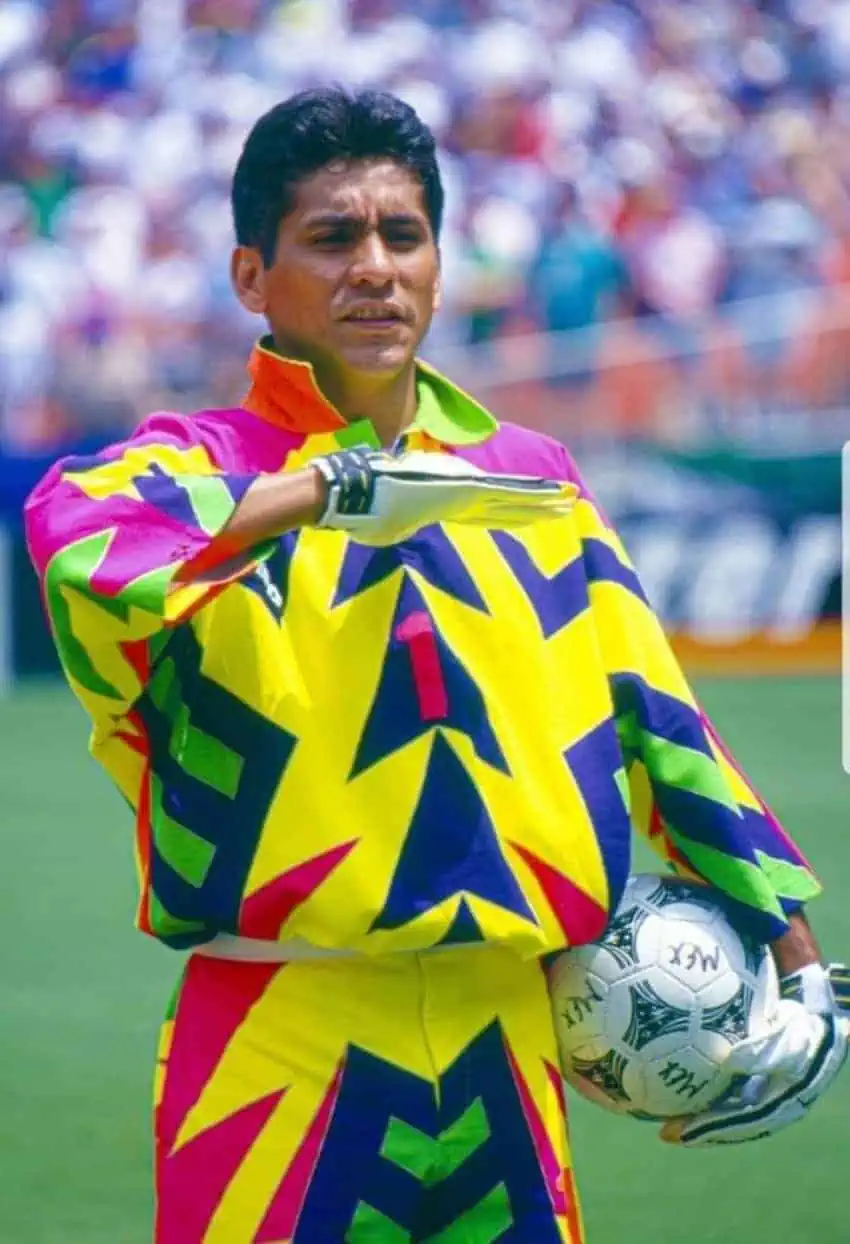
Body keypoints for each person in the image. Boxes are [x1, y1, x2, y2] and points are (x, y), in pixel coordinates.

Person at [24, 87, 848, 1243]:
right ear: (251, 277)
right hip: (274, 1033)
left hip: (511, 1039)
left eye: (400, 236)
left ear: (439, 262)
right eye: (331, 238)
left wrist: (800, 960)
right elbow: (79, 541)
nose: (374, 267)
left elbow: (667, 732)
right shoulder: (189, 468)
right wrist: (327, 488)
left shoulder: (535, 481)